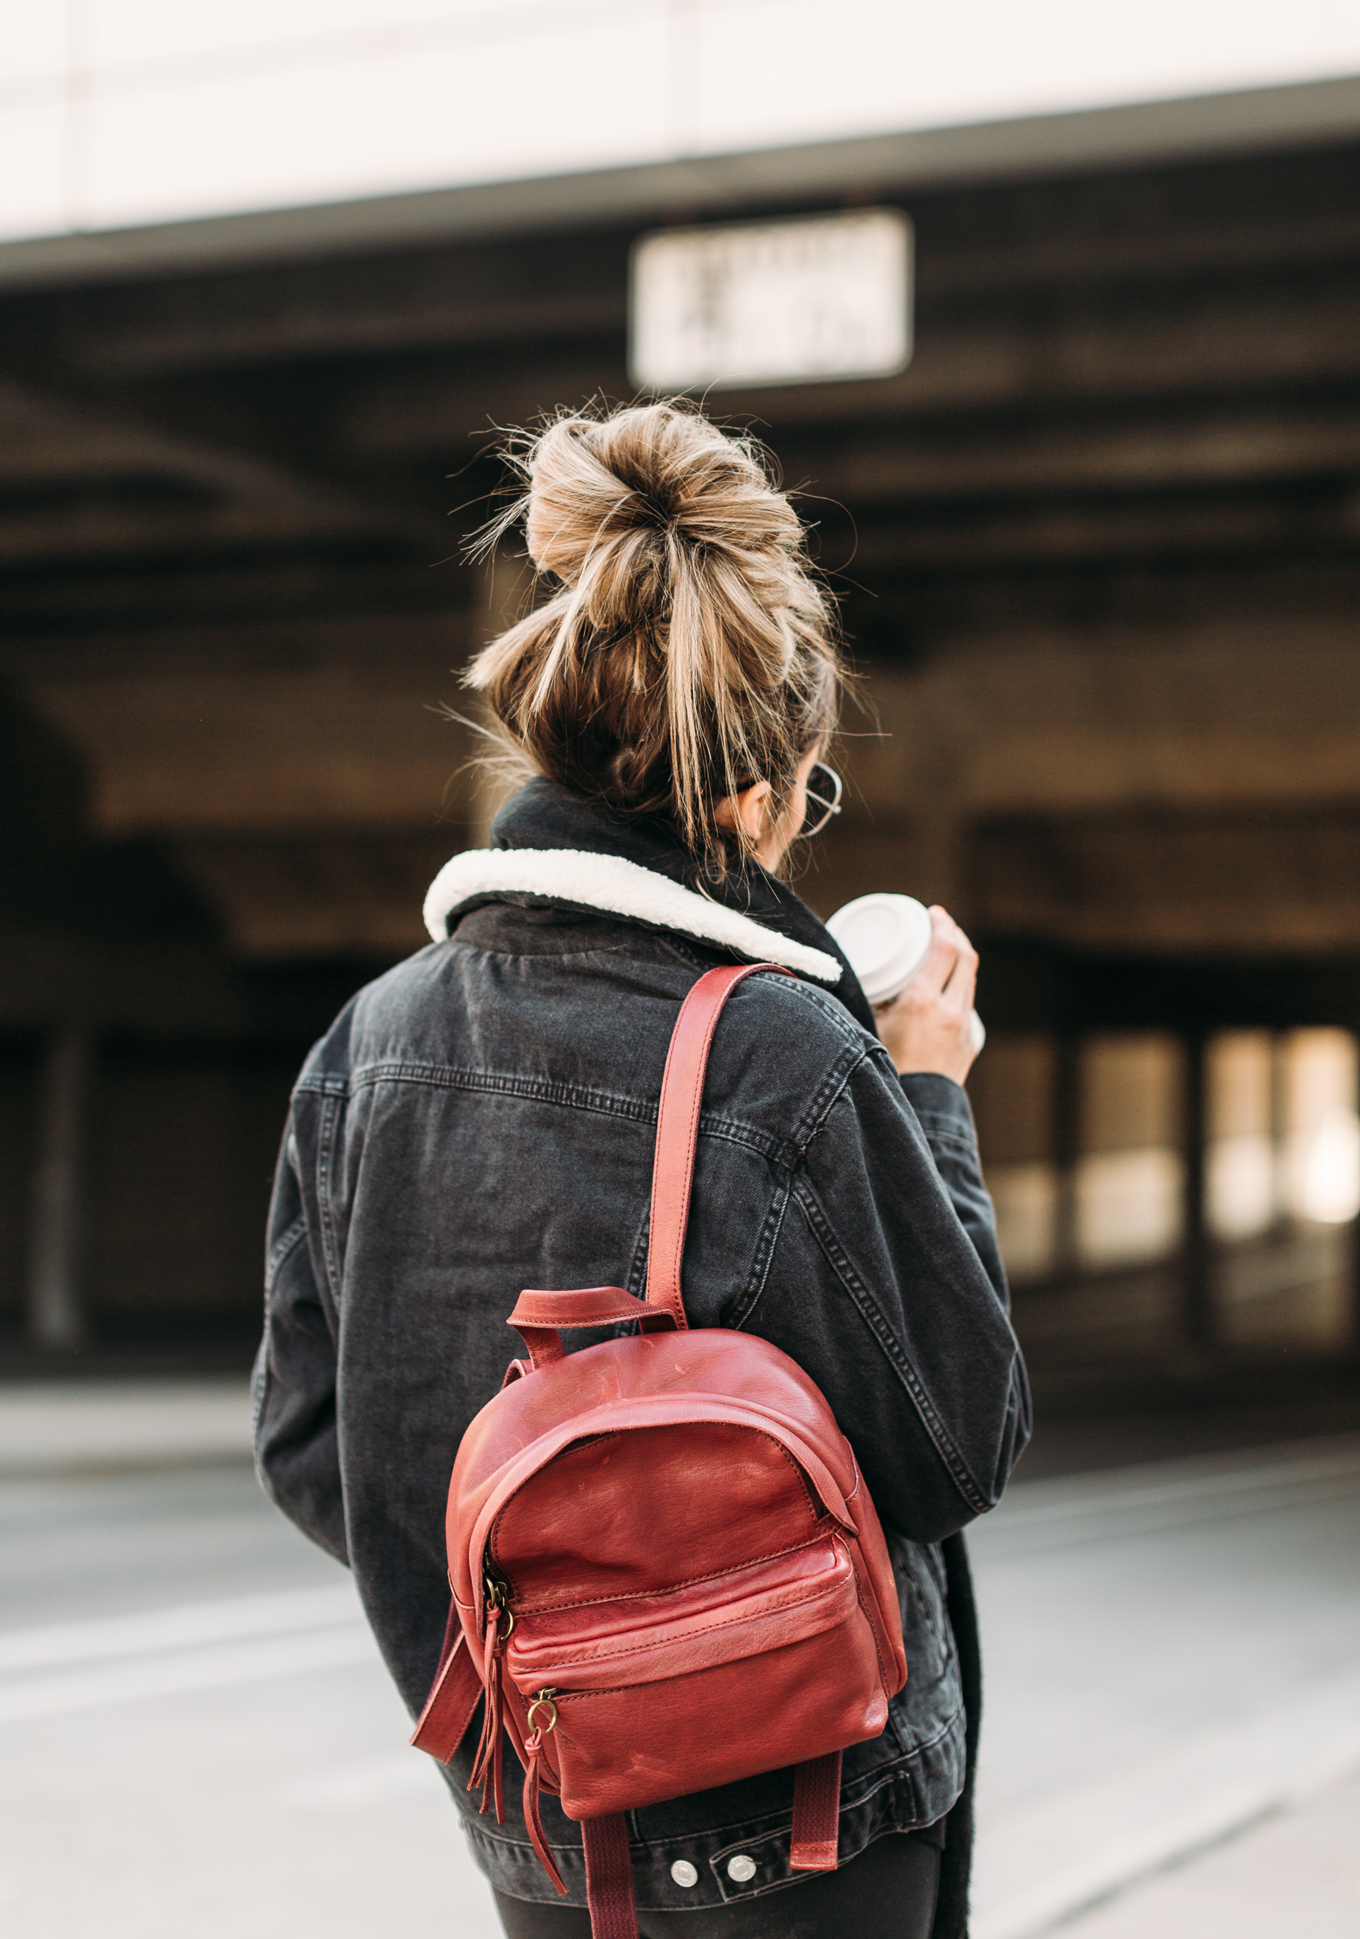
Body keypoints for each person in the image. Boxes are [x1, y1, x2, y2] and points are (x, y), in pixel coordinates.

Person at [254, 400, 1030, 1938]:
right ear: (753, 792)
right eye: (808, 796)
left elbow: (309, 1446)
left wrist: (571, 1627)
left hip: (536, 1804)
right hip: (816, 1823)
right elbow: (959, 1440)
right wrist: (927, 1092)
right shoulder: (791, 1058)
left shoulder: (368, 1046)